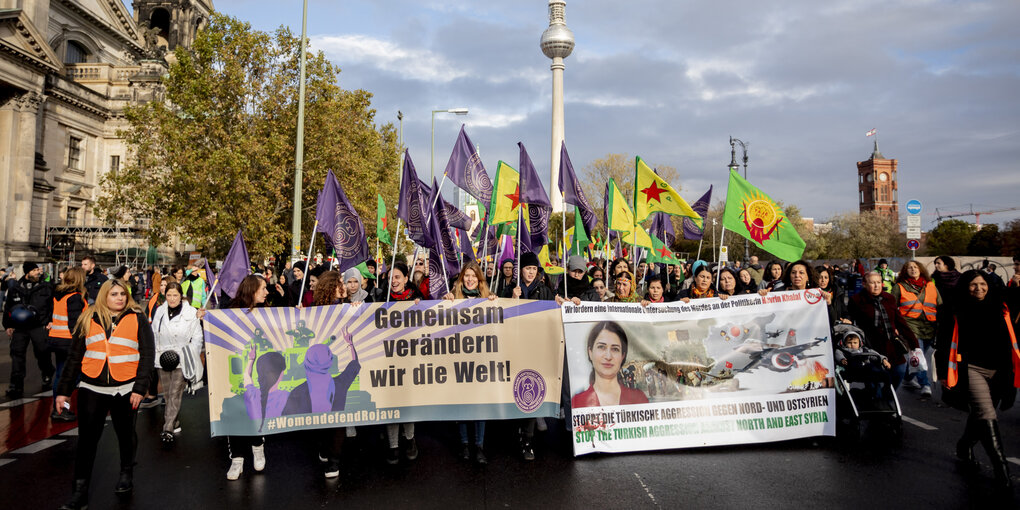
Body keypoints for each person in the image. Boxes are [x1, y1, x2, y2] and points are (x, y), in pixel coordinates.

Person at [55, 279, 155, 509]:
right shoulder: (87, 318)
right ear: (103, 296)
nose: (119, 298)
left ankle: (126, 472)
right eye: (114, 294)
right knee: (87, 442)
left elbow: (148, 355)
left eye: (122, 294)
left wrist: (140, 388)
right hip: (92, 388)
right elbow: (74, 358)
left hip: (126, 389)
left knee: (125, 434)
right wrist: (63, 392)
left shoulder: (138, 318)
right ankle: (79, 492)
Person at [939, 270, 1020, 489]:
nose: (979, 289)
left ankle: (964, 445)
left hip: (1000, 371)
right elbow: (944, 342)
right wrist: (942, 375)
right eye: (973, 285)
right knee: (986, 413)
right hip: (972, 369)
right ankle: (1001, 469)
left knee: (980, 416)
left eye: (982, 284)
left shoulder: (1001, 306)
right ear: (965, 286)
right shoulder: (954, 309)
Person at [442, 261, 497, 465]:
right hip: (460, 359)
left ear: (479, 279)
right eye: (467, 276)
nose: (470, 279)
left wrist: (495, 302)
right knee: (464, 404)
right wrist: (445, 301)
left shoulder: (487, 298)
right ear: (462, 278)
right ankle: (465, 444)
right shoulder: (453, 297)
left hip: (481, 360)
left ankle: (479, 446)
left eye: (474, 276)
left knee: (480, 405)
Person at [224, 275, 270, 481]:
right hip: (235, 369)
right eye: (263, 288)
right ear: (252, 290)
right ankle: (237, 459)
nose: (267, 292)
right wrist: (204, 317)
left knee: (255, 410)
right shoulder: (229, 310)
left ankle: (258, 445)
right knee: (235, 411)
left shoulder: (268, 310)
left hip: (260, 371)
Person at [509, 252, 555, 460]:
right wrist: (512, 299)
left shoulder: (544, 291)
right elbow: (500, 315)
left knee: (531, 389)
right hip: (516, 348)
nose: (530, 272)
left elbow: (553, 311)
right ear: (521, 270)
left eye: (534, 269)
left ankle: (527, 439)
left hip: (537, 349)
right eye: (527, 268)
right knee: (516, 392)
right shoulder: (512, 290)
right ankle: (519, 430)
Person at [151, 281, 204, 446]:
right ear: (164, 295)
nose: (172, 299)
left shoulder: (191, 312)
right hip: (162, 358)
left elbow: (197, 337)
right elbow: (154, 333)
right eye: (169, 295)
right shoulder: (159, 311)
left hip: (182, 357)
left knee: (175, 393)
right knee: (167, 394)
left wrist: (190, 354)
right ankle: (174, 421)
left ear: (181, 296)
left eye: (175, 295)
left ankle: (167, 428)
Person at [849, 271, 919, 389]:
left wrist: (914, 344)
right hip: (870, 346)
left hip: (891, 344)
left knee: (900, 370)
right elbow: (850, 319)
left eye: (878, 282)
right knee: (874, 380)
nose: (876, 286)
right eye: (872, 283)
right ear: (864, 284)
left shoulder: (889, 298)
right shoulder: (856, 300)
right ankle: (875, 402)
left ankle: (889, 398)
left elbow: (900, 322)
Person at [384, 261, 422, 463]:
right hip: (386, 358)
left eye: (397, 277)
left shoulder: (417, 298)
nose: (394, 281)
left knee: (407, 401)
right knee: (391, 401)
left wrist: (420, 307)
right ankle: (393, 445)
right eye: (391, 277)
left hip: (410, 358)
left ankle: (410, 439)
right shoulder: (381, 297)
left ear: (406, 279)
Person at [3, 262, 55, 398]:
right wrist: (8, 325)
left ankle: (47, 372)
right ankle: (16, 386)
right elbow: (9, 306)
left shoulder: (46, 287)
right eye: (35, 270)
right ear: (28, 273)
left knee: (42, 352)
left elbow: (52, 305)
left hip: (39, 325)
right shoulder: (16, 288)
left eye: (38, 270)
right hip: (20, 327)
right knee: (17, 355)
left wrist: (51, 320)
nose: (38, 272)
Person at [890, 260, 941, 397]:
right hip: (909, 325)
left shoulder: (930, 285)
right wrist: (894, 326)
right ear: (905, 271)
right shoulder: (899, 286)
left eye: (915, 267)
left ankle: (907, 377)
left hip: (929, 326)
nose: (913, 269)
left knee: (917, 355)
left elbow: (940, 305)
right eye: (909, 268)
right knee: (919, 354)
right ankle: (925, 384)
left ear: (921, 269)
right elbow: (892, 308)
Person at [571, 321, 649, 408]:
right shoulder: (577, 402)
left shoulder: (638, 399)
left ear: (622, 356)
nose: (608, 356)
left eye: (615, 349)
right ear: (590, 352)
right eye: (601, 347)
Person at [47, 267, 88, 421]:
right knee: (73, 375)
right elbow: (75, 323)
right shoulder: (75, 297)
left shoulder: (59, 294)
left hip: (56, 338)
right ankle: (62, 407)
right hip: (68, 340)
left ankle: (57, 408)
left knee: (60, 374)